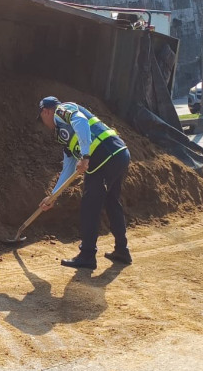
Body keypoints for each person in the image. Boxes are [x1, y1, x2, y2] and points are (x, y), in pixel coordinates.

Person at [37, 96, 132, 269]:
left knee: (90, 206)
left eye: (42, 117)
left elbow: (80, 121)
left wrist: (86, 156)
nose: (44, 122)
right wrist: (53, 196)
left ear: (46, 111)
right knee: (112, 202)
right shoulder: (62, 135)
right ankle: (122, 250)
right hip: (118, 154)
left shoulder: (61, 111)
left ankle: (87, 255)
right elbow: (68, 168)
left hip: (104, 159)